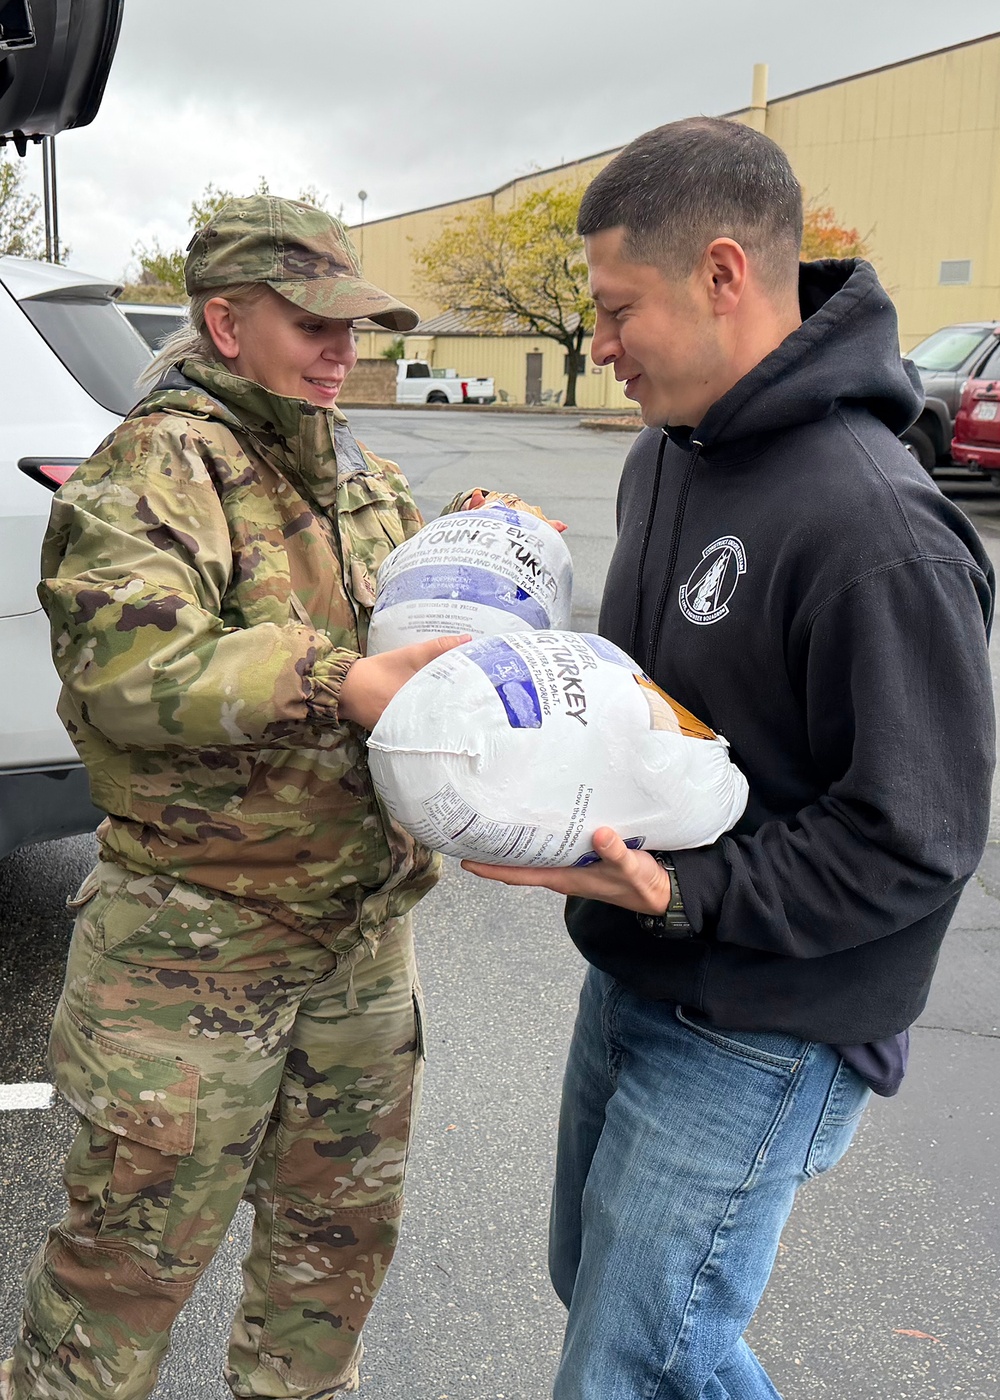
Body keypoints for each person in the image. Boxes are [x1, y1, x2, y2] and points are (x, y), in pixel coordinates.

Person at [465, 118, 995, 1398]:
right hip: (642, 973)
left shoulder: (878, 529)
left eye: (614, 307)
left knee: (630, 1363)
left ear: (720, 274)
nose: (593, 344)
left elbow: (914, 837)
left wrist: (688, 890)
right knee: (608, 1301)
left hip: (770, 1021)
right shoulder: (665, 456)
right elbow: (653, 698)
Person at [1, 194, 511, 1400]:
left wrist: (472, 560)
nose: (344, 351)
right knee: (123, 1272)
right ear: (226, 323)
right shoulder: (154, 467)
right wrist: (341, 678)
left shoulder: (357, 468)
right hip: (198, 949)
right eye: (313, 325)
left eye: (358, 328)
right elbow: (131, 669)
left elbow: (404, 616)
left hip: (360, 943)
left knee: (333, 1249)